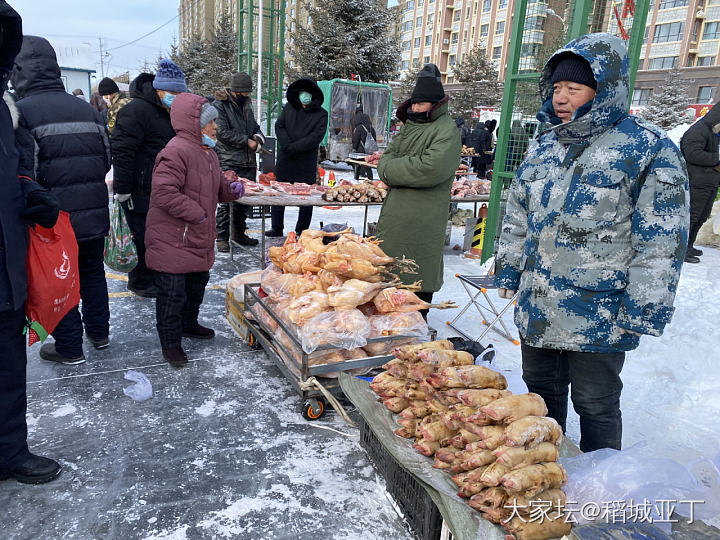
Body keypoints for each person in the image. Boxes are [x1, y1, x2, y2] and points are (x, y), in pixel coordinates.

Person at [494, 33, 689, 452]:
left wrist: (644, 307)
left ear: (605, 89)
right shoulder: (546, 144)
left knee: (595, 403)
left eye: (575, 88)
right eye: (557, 88)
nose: (561, 98)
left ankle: (603, 491)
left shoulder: (647, 148)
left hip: (599, 309)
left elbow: (662, 238)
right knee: (540, 398)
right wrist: (508, 269)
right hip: (539, 304)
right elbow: (517, 215)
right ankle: (547, 477)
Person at [12, 35, 111, 365]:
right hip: (95, 211)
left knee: (61, 279)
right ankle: (100, 333)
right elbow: (106, 160)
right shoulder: (90, 111)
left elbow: (25, 172)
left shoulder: (22, 114)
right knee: (93, 272)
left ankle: (69, 347)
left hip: (55, 220)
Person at [0, 0, 63, 485]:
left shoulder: (6, 111)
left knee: (8, 368)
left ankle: (11, 452)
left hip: (7, 267)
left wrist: (30, 192)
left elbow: (10, 176)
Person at [144, 95, 242, 367]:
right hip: (173, 239)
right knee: (172, 294)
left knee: (196, 286)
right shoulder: (175, 150)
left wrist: (230, 188)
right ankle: (171, 343)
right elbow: (164, 192)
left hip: (197, 236)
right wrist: (197, 212)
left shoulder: (207, 152)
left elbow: (215, 188)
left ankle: (189, 324)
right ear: (195, 124)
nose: (215, 127)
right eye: (211, 122)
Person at [376, 64, 461, 319]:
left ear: (435, 103)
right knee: (388, 275)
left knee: (417, 274)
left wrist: (392, 170)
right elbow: (384, 162)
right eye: (414, 103)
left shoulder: (447, 130)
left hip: (423, 220)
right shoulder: (410, 125)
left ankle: (415, 327)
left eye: (421, 104)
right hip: (394, 218)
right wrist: (391, 168)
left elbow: (430, 169)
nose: (415, 108)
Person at [111, 59, 186, 297]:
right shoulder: (136, 110)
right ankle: (140, 281)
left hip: (163, 187)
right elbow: (123, 151)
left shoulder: (170, 111)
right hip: (140, 187)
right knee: (142, 236)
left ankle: (153, 275)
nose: (176, 96)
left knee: (157, 235)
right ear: (158, 89)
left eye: (179, 92)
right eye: (172, 92)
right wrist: (123, 189)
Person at [266, 78, 327, 237]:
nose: (304, 96)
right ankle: (276, 227)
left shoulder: (321, 114)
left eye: (307, 93)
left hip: (305, 162)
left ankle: (302, 230)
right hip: (286, 159)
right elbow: (279, 126)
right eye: (302, 92)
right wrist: (287, 145)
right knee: (279, 194)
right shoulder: (289, 108)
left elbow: (316, 137)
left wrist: (295, 147)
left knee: (306, 199)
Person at [212, 71, 264, 251]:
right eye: (245, 93)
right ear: (235, 92)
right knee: (226, 202)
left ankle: (239, 234)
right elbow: (221, 132)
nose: (248, 96)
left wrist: (258, 136)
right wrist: (246, 141)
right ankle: (222, 238)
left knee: (244, 201)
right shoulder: (220, 106)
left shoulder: (246, 106)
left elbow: (254, 127)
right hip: (228, 160)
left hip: (247, 161)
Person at [679, 103, 720, 264]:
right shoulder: (699, 130)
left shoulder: (714, 133)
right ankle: (681, 249)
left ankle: (689, 245)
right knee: (692, 216)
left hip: (709, 182)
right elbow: (692, 153)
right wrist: (717, 160)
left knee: (702, 216)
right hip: (697, 181)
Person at [351, 111, 376, 180]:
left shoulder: (359, 128)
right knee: (368, 165)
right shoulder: (371, 128)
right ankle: (370, 178)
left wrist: (354, 148)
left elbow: (355, 139)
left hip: (360, 150)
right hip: (369, 151)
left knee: (357, 164)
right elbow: (374, 139)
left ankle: (357, 178)